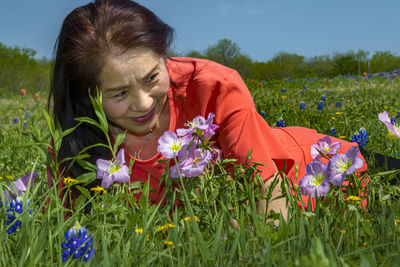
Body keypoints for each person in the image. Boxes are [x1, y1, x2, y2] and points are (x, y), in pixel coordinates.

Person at [48, 0, 367, 216]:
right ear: (84, 96)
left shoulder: (214, 86)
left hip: (327, 170)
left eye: (152, 77)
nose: (144, 103)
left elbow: (270, 195)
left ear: (164, 56)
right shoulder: (74, 141)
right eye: (119, 93)